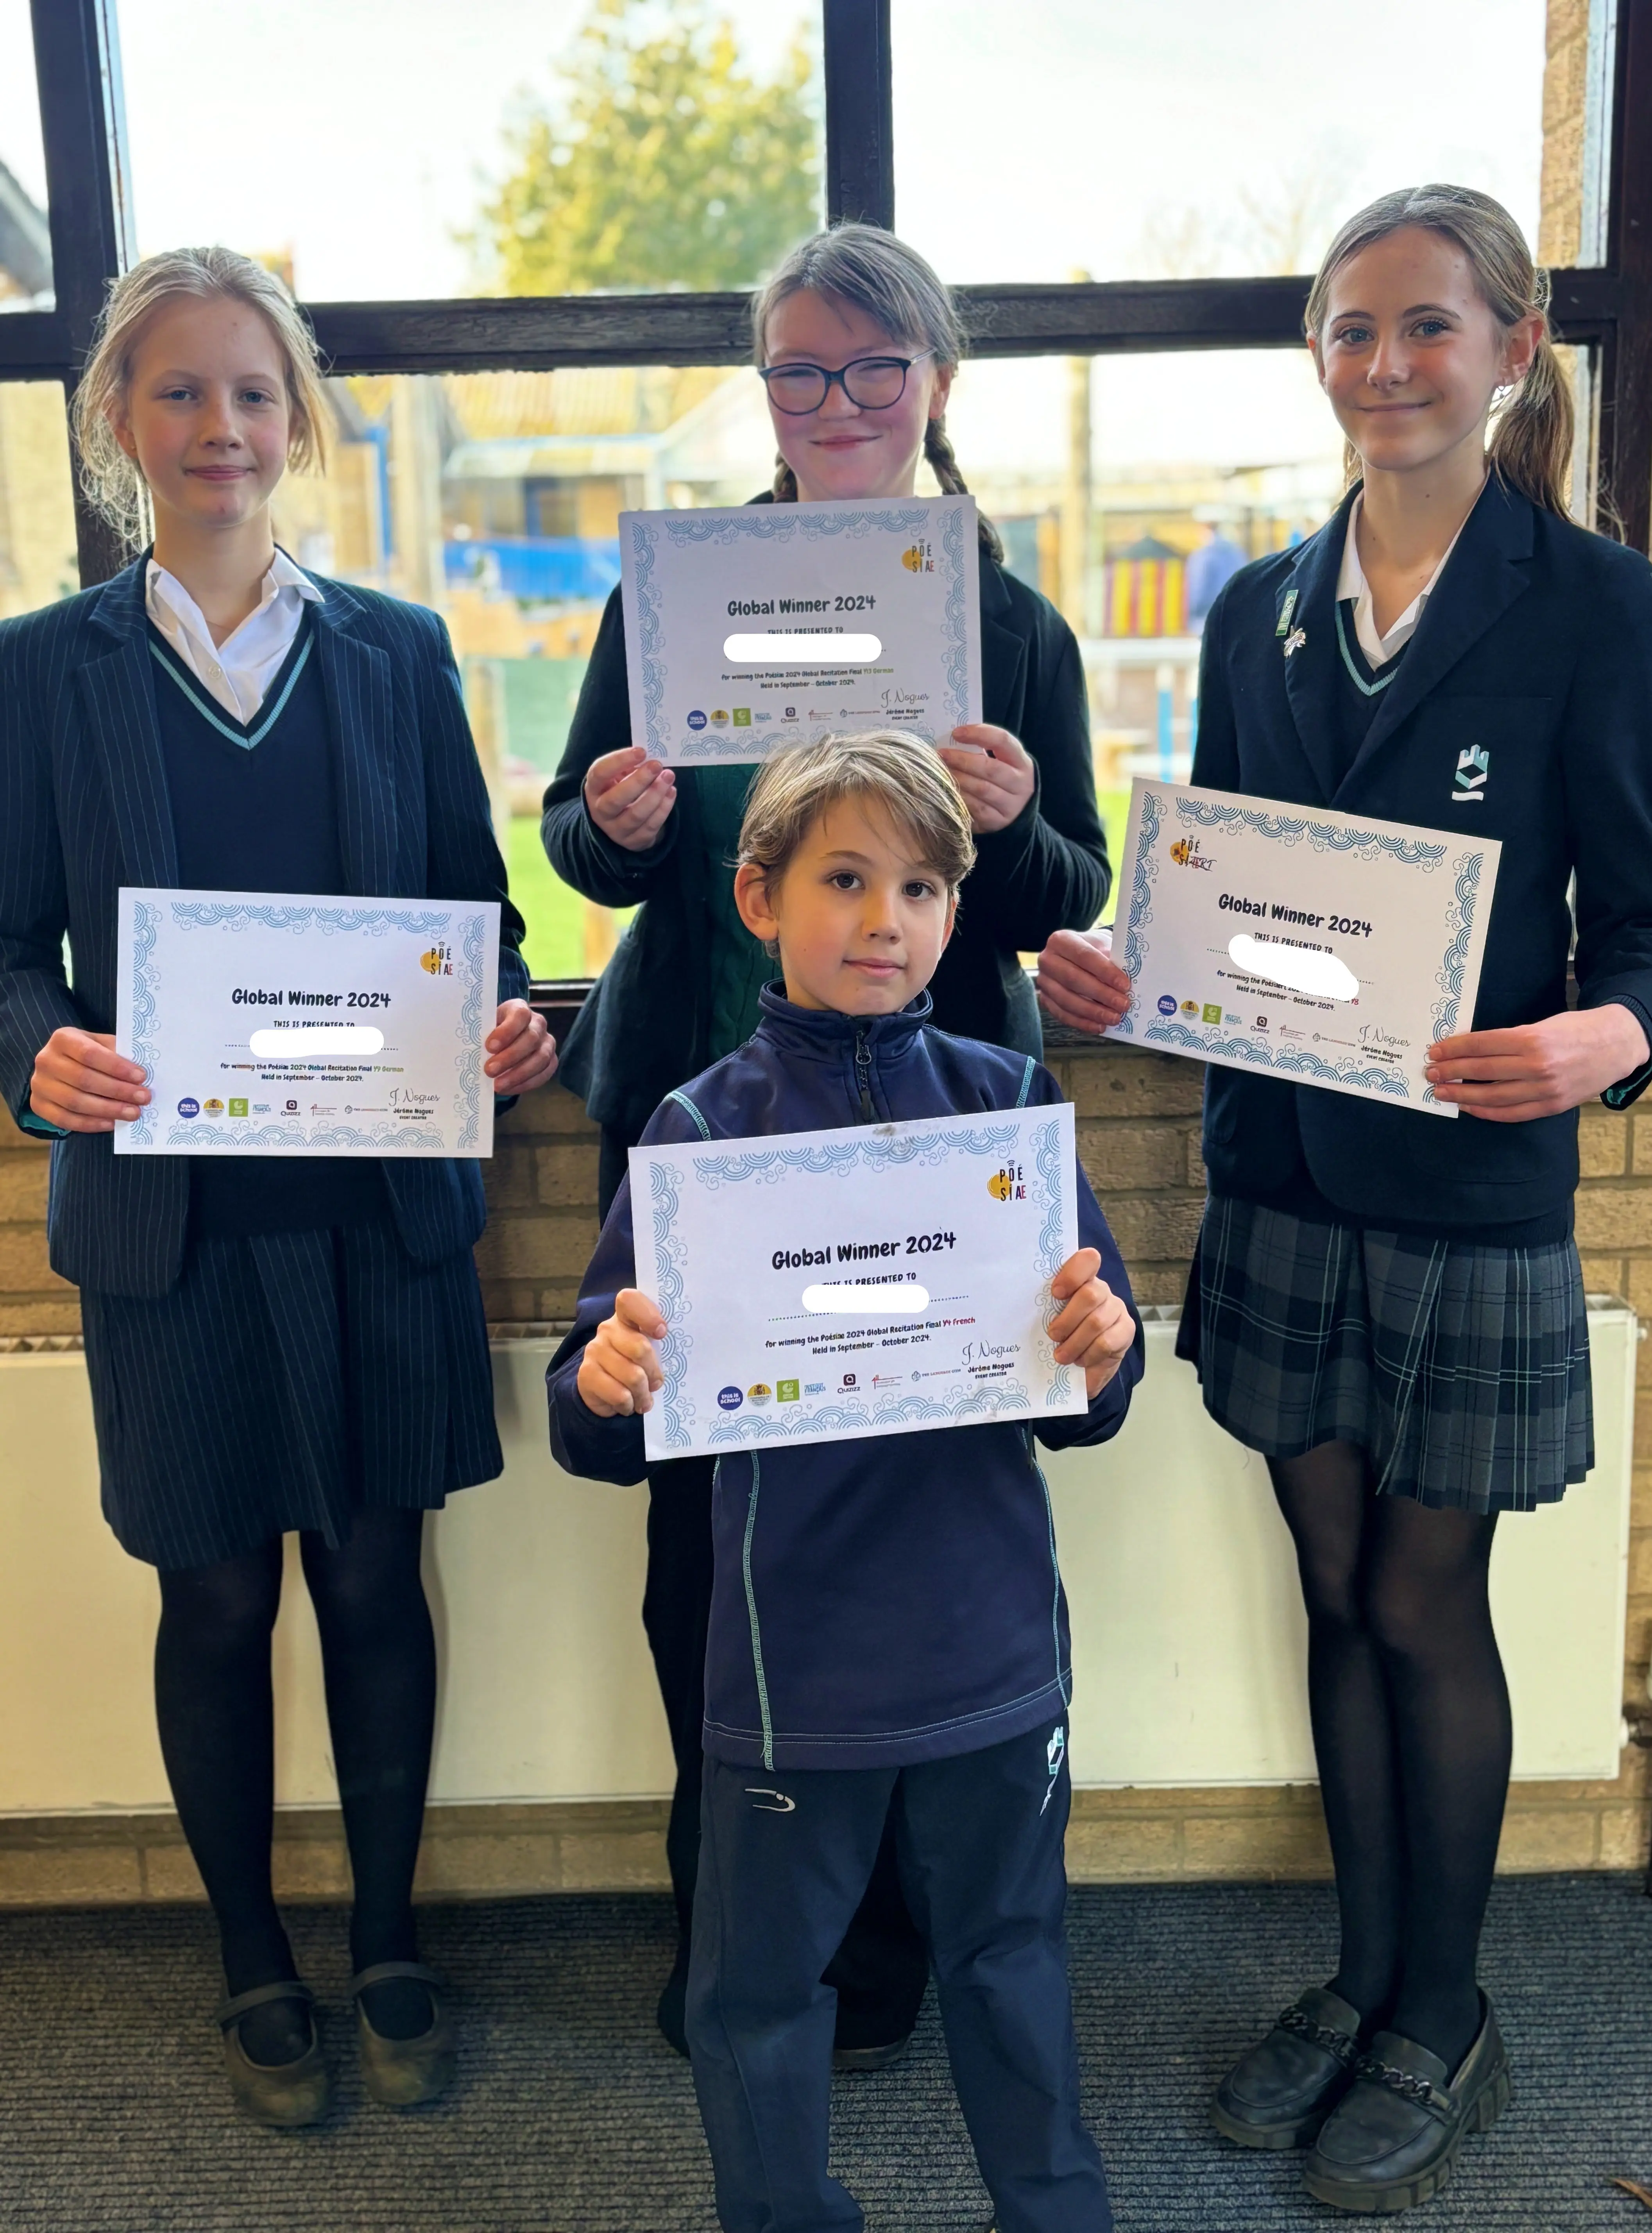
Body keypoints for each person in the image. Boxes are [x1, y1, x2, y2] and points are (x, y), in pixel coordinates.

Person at [1033, 183, 1652, 2215]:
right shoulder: (1255, 605)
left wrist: (1603, 1040)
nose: (1387, 366)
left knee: (1417, 1596)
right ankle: (1367, 1970)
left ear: (1512, 345)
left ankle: (1445, 2010)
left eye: (1427, 329)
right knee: (1326, 1585)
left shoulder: (1596, 608)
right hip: (1282, 1174)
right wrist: (1135, 966)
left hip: (1472, 1186)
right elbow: (1228, 889)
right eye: (1354, 331)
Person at [541, 221, 1111, 2061]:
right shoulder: (674, 589)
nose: (839, 402)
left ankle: (888, 1958)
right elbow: (580, 835)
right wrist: (616, 824)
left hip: (930, 1142)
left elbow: (1065, 892)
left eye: (876, 368)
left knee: (907, 1547)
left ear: (936, 383)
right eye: (801, 368)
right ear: (768, 392)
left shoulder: (1010, 621)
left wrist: (1016, 828)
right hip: (702, 1120)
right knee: (705, 1554)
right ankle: (737, 1940)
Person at [0, 247, 557, 2126]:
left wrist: (503, 1029)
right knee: (218, 1603)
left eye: (253, 391)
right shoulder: (39, 673)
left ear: (299, 416)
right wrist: (35, 1052)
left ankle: (389, 1937)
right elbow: (5, 952)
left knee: (381, 1583)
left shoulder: (397, 650)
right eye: (178, 392)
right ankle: (253, 1961)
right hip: (172, 1232)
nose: (220, 427)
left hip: (377, 1217)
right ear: (119, 428)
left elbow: (470, 916)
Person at [548, 732, 1141, 2233]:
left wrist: (1103, 1347)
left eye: (927, 886)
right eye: (847, 879)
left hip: (993, 1657)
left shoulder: (1008, 1107)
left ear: (959, 912)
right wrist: (604, 1381)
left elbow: (1091, 1398)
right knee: (757, 1998)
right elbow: (592, 1415)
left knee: (1012, 1965)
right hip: (786, 1665)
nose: (889, 918)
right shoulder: (693, 1133)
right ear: (759, 899)